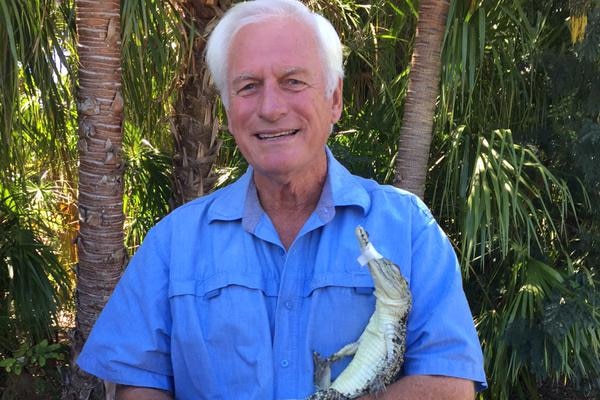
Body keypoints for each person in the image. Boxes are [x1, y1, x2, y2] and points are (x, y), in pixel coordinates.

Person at [76, 0, 487, 399]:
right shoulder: (172, 243)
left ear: (335, 99)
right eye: (249, 86)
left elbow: (450, 383)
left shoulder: (409, 228)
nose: (271, 108)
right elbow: (136, 382)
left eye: (293, 81)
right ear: (227, 108)